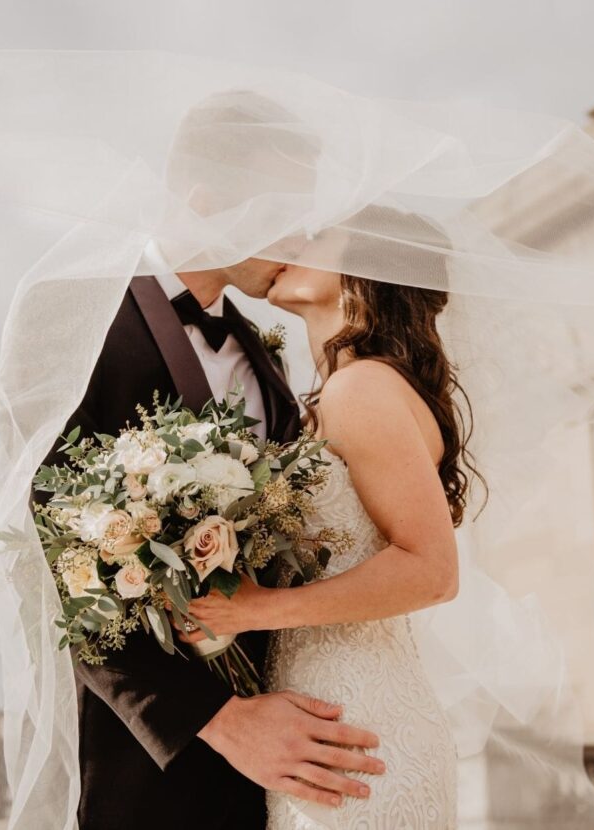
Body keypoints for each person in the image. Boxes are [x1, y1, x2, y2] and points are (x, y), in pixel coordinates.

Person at [42, 92, 385, 830]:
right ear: (206, 200)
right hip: (149, 765)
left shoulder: (266, 361)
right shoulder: (69, 316)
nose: (300, 235)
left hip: (293, 755)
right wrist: (222, 721)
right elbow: (48, 558)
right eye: (283, 210)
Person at [182, 218, 474, 827]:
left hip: (359, 725)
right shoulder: (339, 392)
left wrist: (254, 610)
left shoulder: (362, 389)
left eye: (315, 235)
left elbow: (433, 570)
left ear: (365, 268)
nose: (287, 241)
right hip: (327, 718)